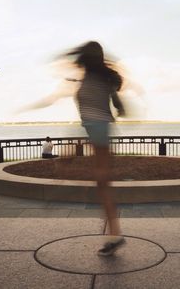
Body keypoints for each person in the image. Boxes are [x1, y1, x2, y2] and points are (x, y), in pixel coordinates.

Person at [65, 41, 126, 256]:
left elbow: (105, 107)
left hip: (98, 129)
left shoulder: (95, 79)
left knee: (102, 184)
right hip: (98, 130)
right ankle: (114, 234)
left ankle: (115, 235)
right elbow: (117, 103)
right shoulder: (98, 78)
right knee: (102, 184)